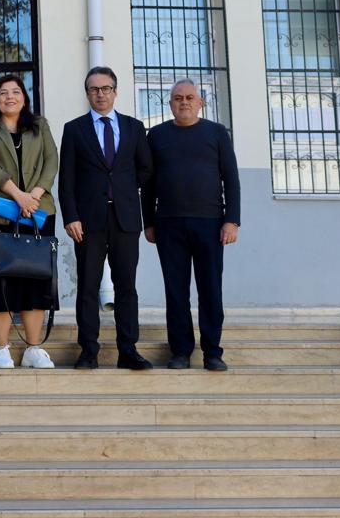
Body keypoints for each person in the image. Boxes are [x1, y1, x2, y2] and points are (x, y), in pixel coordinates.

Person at [57, 65, 153, 371]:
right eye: (94, 89)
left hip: (125, 218)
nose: (100, 94)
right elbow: (66, 179)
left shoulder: (134, 127)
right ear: (87, 94)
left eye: (106, 88)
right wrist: (71, 216)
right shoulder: (75, 129)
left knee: (127, 287)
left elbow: (146, 169)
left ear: (115, 91)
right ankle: (88, 351)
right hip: (88, 221)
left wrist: (124, 189)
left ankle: (128, 350)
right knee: (88, 287)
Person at [142, 79, 241, 372]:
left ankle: (212, 352)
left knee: (210, 290)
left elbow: (231, 179)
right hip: (168, 224)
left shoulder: (217, 133)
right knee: (176, 292)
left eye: (189, 97)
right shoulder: (156, 135)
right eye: (177, 98)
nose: (183, 102)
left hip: (210, 223)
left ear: (200, 103)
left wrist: (232, 220)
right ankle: (181, 351)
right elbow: (148, 184)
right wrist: (149, 222)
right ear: (170, 104)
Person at [0, 74, 60, 370]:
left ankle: (34, 348)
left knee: (36, 278)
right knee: (1, 281)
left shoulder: (40, 125)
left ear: (24, 97)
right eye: (3, 93)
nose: (10, 97)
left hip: (37, 212)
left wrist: (34, 195)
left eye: (16, 92)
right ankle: (1, 348)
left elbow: (51, 161)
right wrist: (18, 196)